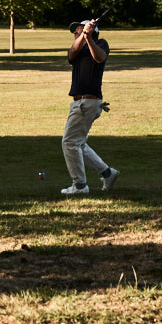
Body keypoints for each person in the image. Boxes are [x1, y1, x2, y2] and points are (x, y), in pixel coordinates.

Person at [60, 19, 120, 195]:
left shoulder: (101, 43)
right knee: (78, 142)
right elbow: (71, 53)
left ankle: (79, 186)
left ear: (92, 30)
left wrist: (89, 36)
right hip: (79, 102)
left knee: (70, 142)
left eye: (77, 30)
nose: (74, 33)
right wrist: (83, 35)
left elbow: (99, 57)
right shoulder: (77, 48)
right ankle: (107, 173)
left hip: (88, 101)